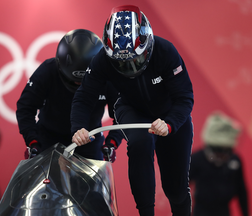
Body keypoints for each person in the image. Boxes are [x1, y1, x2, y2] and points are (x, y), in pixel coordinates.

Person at [71, 5, 194, 216]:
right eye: (121, 63)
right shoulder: (102, 60)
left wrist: (171, 123)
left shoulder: (166, 52)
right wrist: (78, 127)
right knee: (140, 142)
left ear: (148, 46)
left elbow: (184, 98)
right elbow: (84, 97)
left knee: (176, 190)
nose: (130, 69)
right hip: (131, 109)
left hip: (169, 116)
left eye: (135, 60)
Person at [16, 29, 123, 161]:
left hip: (88, 139)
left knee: (92, 180)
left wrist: (111, 143)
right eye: (74, 81)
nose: (78, 85)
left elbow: (121, 112)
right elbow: (25, 106)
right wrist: (33, 141)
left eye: (82, 81)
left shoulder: (107, 76)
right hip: (49, 137)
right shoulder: (48, 71)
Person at [189, 111, 249, 216]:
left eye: (227, 151)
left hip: (224, 211)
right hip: (201, 212)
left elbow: (241, 190)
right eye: (218, 150)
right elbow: (182, 186)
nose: (222, 155)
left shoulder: (235, 160)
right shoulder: (197, 158)